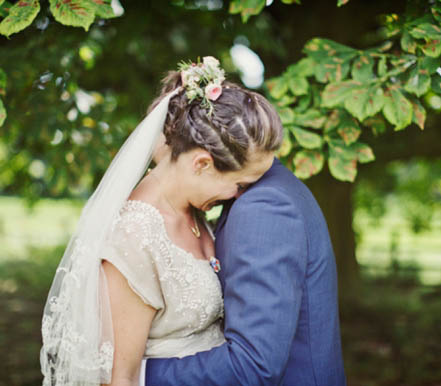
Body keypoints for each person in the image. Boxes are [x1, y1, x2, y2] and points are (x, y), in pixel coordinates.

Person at [39, 56, 283, 386]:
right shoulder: (134, 237)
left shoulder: (195, 213)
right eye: (240, 184)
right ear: (201, 164)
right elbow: (117, 380)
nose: (241, 197)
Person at [143, 94, 347, 386]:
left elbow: (253, 364)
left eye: (241, 185)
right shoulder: (276, 187)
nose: (234, 193)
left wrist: (136, 375)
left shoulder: (264, 206)